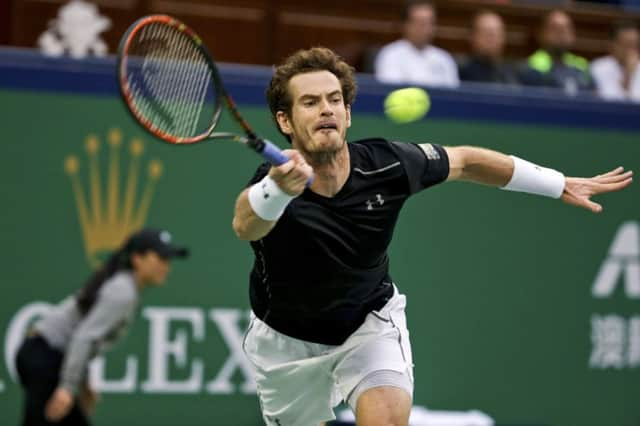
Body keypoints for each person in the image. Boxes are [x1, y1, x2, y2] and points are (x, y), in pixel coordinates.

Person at [232, 47, 632, 426]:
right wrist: (279, 189)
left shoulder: (388, 164)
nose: (326, 110)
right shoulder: (272, 187)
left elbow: (466, 162)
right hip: (286, 343)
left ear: (348, 113)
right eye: (310, 102)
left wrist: (557, 183)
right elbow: (246, 224)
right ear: (285, 122)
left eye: (334, 100)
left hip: (367, 324)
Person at [15, 228, 189, 425]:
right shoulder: (123, 292)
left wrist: (82, 382)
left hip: (42, 356)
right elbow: (83, 337)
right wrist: (67, 387)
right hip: (43, 358)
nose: (166, 266)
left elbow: (84, 337)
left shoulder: (124, 287)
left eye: (168, 260)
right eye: (161, 258)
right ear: (137, 259)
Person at [374, 0, 459, 87]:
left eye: (430, 23)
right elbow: (389, 88)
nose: (425, 29)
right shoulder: (390, 54)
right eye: (420, 23)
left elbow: (452, 94)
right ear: (406, 25)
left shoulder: (445, 59)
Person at [519, 9, 593, 94]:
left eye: (566, 29)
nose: (561, 33)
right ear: (542, 34)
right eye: (555, 28)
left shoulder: (582, 66)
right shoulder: (530, 67)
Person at [458, 11, 520, 85]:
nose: (492, 39)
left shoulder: (514, 74)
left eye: (497, 34)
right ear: (472, 37)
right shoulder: (459, 72)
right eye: (487, 34)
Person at [590, 20, 640, 102]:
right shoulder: (598, 67)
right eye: (627, 45)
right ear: (613, 44)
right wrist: (627, 76)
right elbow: (609, 100)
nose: (631, 50)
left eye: (635, 45)